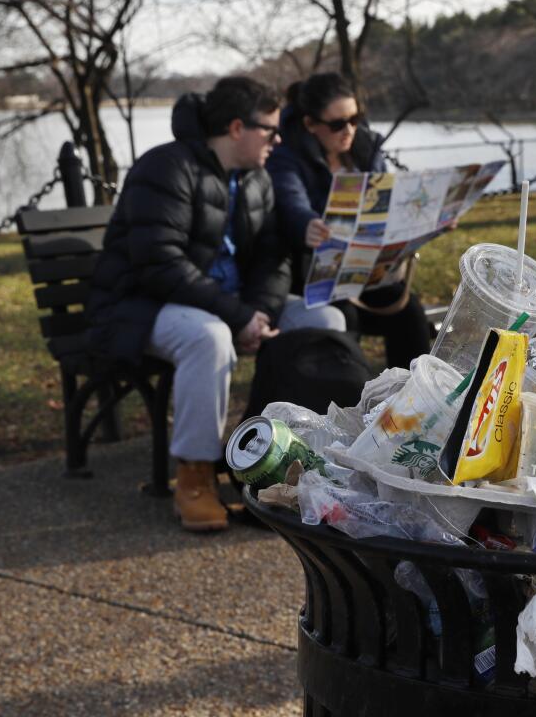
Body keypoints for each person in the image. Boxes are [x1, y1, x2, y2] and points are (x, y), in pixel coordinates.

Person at [86, 77, 345, 532]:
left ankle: (299, 460)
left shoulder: (258, 179)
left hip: (230, 307)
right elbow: (157, 263)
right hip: (142, 306)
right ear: (237, 127)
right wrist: (238, 316)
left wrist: (259, 312)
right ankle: (195, 477)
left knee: (324, 317)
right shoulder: (165, 168)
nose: (278, 139)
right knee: (209, 337)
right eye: (270, 129)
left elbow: (273, 258)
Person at [267, 72, 432, 369]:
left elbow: (392, 200)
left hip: (368, 272)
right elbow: (291, 203)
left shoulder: (365, 148)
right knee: (346, 318)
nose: (350, 130)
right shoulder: (286, 156)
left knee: (409, 312)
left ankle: (414, 401)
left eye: (355, 119)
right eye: (338, 124)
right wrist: (309, 225)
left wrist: (426, 221)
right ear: (310, 125)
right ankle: (353, 403)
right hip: (314, 276)